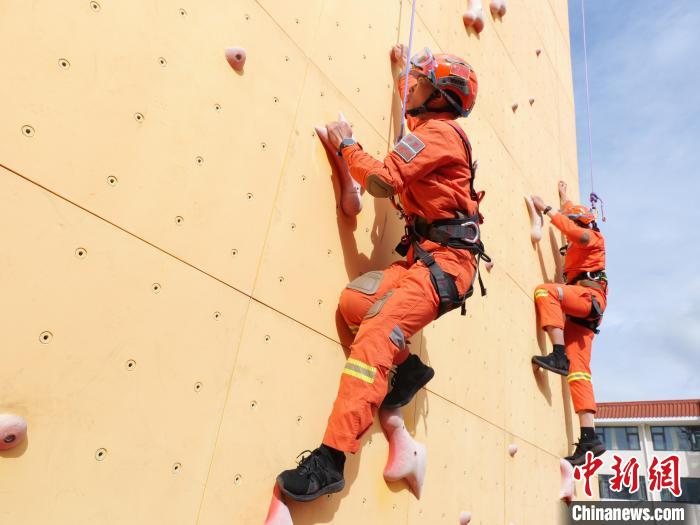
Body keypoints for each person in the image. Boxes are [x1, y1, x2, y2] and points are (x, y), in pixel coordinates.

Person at [276, 45, 488, 501]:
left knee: (376, 332)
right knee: (354, 304)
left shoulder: (438, 134)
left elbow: (381, 181)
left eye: (422, 83)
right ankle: (408, 370)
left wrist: (346, 144)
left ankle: (331, 459)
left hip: (446, 264)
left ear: (438, 97)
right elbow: (412, 108)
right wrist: (404, 68)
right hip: (425, 259)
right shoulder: (432, 125)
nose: (414, 88)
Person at [530, 181, 608, 466]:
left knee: (546, 291)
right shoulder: (579, 231)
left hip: (588, 297)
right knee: (579, 373)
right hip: (584, 311)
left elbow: (575, 231)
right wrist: (564, 198)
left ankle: (558, 354)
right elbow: (571, 218)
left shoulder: (592, 237)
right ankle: (589, 438)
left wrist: (547, 209)